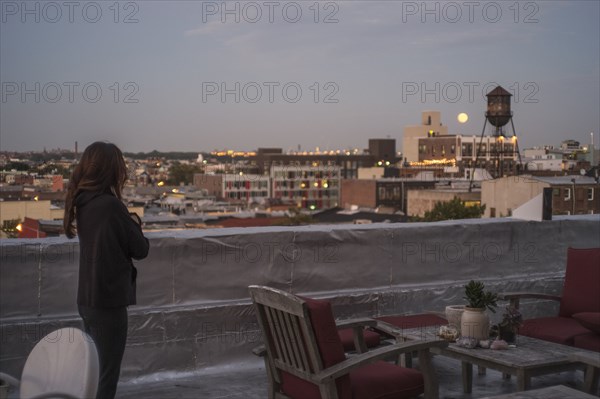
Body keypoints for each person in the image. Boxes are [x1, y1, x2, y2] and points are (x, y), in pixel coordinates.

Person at [63, 142, 149, 399]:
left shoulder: (84, 202)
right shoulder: (110, 206)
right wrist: (133, 220)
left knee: (95, 371)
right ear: (112, 170)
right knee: (106, 377)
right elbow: (141, 249)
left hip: (88, 299)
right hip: (108, 302)